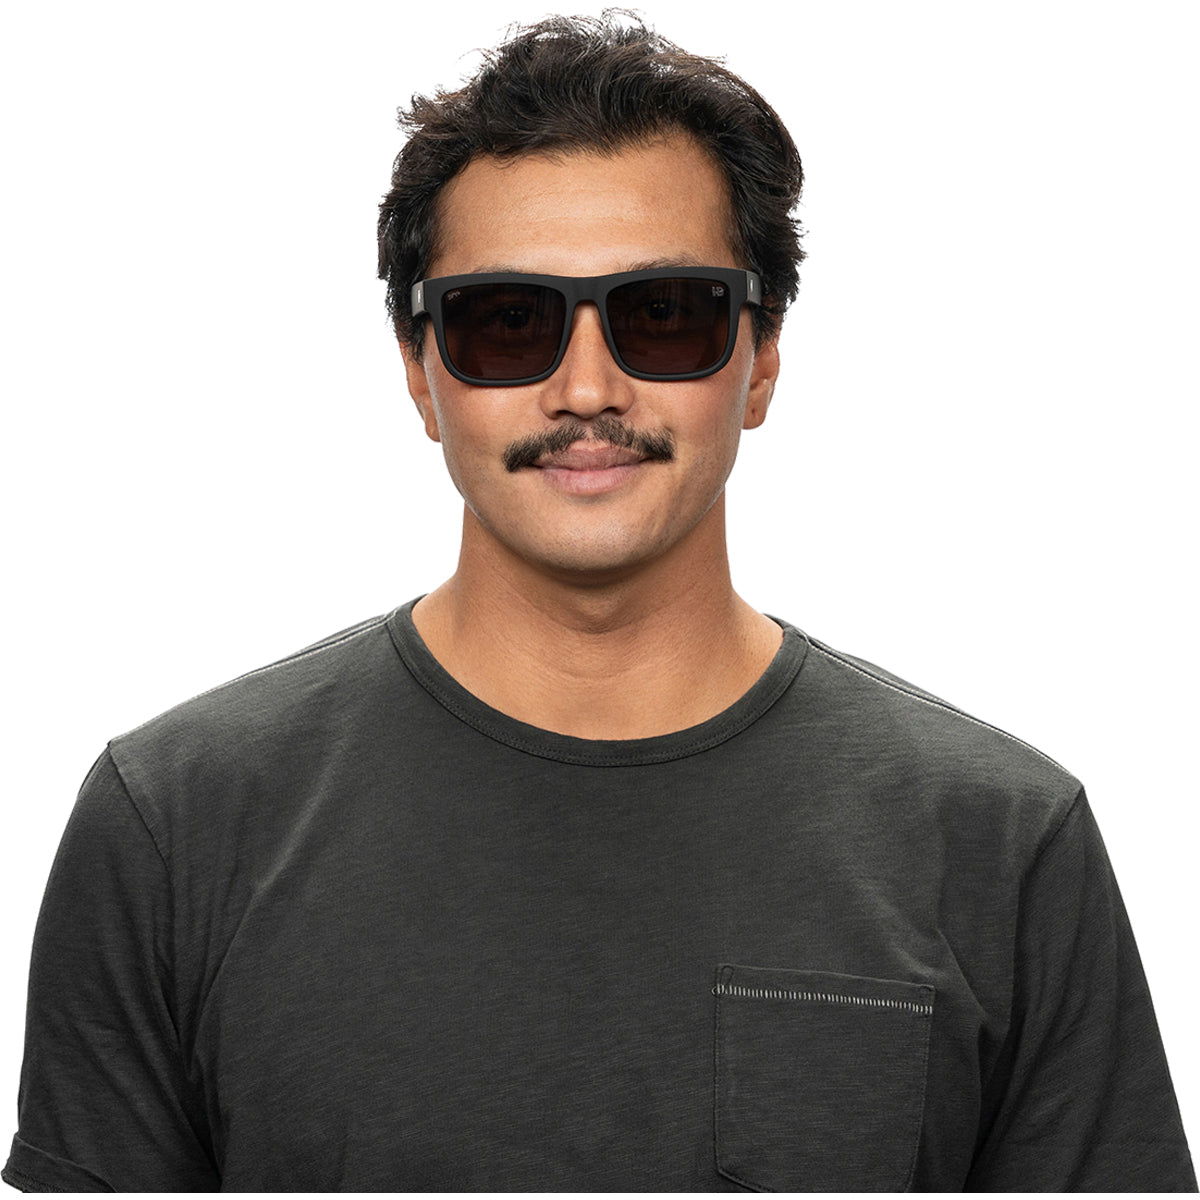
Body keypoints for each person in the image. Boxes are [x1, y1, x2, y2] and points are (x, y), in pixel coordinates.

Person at [3, 13, 1194, 1193]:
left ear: (762, 357)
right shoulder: (175, 830)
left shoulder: (999, 846)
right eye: (508, 321)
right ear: (420, 369)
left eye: (665, 312)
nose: (586, 389)